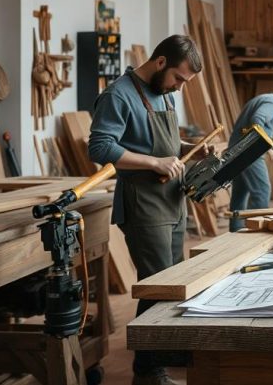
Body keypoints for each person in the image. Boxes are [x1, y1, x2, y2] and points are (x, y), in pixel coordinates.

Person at [88, 34, 211, 385]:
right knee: (157, 287)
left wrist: (192, 149)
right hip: (143, 205)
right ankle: (146, 371)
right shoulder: (119, 94)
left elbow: (167, 145)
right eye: (178, 78)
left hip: (173, 201)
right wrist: (154, 162)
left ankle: (163, 351)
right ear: (160, 63)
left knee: (172, 283)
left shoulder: (162, 94)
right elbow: (100, 148)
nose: (179, 87)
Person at [227, 87, 273, 231]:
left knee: (240, 194)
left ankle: (236, 231)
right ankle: (255, 231)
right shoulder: (272, 102)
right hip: (249, 151)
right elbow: (257, 119)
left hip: (238, 151)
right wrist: (267, 148)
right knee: (262, 191)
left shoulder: (264, 99)